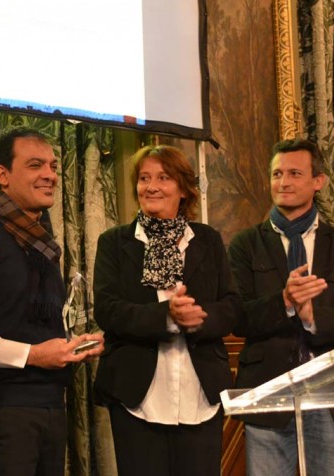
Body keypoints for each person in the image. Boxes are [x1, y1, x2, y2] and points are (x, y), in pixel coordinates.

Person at [0, 127, 103, 476]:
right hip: (0, 414)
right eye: (36, 165)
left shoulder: (44, 242)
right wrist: (33, 355)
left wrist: (75, 345)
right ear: (2, 175)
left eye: (54, 167)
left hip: (52, 406)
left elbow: (29, 322)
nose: (50, 176)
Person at [228, 138, 334, 476]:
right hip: (269, 392)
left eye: (295, 173)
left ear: (318, 181)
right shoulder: (246, 245)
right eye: (277, 173)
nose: (283, 182)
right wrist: (284, 301)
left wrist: (312, 316)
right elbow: (236, 317)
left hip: (333, 392)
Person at [92, 144, 242, 476]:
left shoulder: (208, 240)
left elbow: (231, 306)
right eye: (144, 178)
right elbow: (107, 309)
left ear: (184, 189)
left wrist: (197, 318)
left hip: (200, 393)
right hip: (138, 397)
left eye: (163, 177)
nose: (151, 186)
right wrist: (166, 316)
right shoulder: (114, 242)